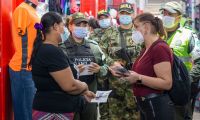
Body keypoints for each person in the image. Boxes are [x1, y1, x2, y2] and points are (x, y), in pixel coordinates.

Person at [30, 12, 95, 120]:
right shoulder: (51, 51)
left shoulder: (46, 48)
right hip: (54, 111)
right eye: (63, 26)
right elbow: (69, 86)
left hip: (53, 108)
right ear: (55, 27)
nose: (64, 30)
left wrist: (82, 90)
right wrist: (84, 86)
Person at [110, 12, 175, 120]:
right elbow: (143, 73)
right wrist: (124, 73)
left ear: (146, 27)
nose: (133, 31)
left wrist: (138, 78)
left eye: (136, 27)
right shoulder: (146, 49)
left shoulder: (159, 48)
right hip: (145, 105)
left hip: (156, 106)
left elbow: (166, 83)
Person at [59, 12, 108, 120]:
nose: (82, 28)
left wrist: (99, 69)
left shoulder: (94, 47)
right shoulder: (61, 49)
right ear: (70, 26)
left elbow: (106, 68)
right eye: (78, 25)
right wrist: (73, 72)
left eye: (84, 25)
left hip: (90, 97)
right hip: (69, 97)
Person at [160, 1, 200, 119]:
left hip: (180, 89)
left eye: (170, 14)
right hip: (159, 88)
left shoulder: (188, 35)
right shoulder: (156, 34)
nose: (166, 16)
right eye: (164, 13)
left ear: (179, 17)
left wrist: (188, 80)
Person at [9, 0, 40, 119]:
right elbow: (22, 38)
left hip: (30, 67)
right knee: (25, 113)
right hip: (22, 68)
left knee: (30, 111)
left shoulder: (33, 11)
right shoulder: (23, 9)